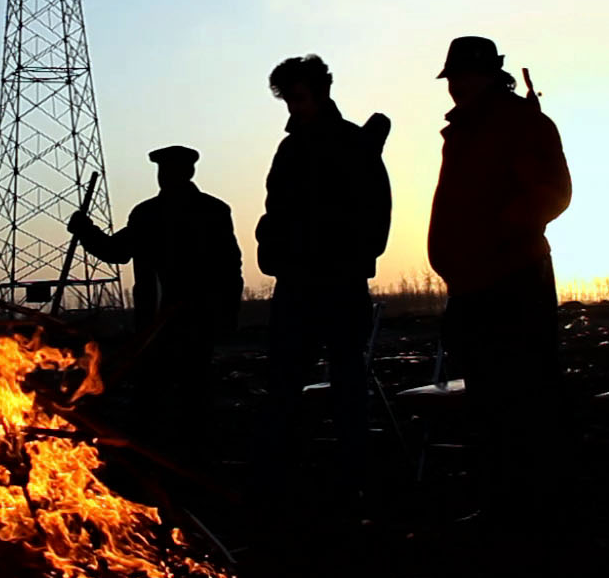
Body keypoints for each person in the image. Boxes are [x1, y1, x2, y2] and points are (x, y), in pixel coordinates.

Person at [425, 35, 572, 535]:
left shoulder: (518, 122)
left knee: (523, 399)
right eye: (453, 78)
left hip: (512, 284)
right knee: (488, 401)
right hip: (472, 285)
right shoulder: (466, 129)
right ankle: (501, 505)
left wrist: (499, 236)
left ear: (489, 74)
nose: (456, 86)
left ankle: (535, 511)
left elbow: (551, 193)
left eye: (464, 75)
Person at [255, 54, 392, 496]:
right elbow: (275, 210)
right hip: (297, 284)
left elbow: (376, 216)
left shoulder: (353, 145)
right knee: (286, 380)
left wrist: (349, 259)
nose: (293, 108)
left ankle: (353, 470)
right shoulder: (293, 148)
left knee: (347, 379)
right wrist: (273, 252)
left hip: (337, 283)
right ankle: (282, 470)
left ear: (321, 92)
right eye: (287, 100)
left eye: (298, 98)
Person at [70, 145, 242, 464]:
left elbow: (230, 266)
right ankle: (154, 460)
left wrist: (227, 312)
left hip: (191, 320)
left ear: (187, 173)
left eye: (171, 171)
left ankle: (187, 459)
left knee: (189, 391)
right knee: (155, 393)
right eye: (162, 171)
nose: (165, 177)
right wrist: (86, 230)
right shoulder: (149, 214)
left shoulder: (208, 212)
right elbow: (116, 251)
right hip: (156, 324)